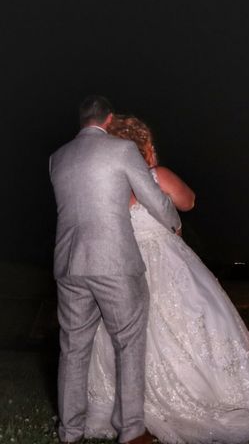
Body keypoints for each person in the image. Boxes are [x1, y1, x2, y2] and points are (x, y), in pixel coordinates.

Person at [84, 116, 249, 444]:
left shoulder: (105, 185)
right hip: (164, 262)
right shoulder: (156, 176)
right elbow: (188, 201)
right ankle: (202, 398)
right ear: (144, 145)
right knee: (196, 321)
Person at [49, 96, 181, 444]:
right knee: (128, 345)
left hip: (69, 264)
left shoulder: (57, 158)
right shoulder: (122, 151)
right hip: (115, 262)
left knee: (73, 349)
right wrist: (174, 223)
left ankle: (70, 432)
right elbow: (153, 197)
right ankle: (131, 431)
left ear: (82, 121)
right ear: (108, 119)